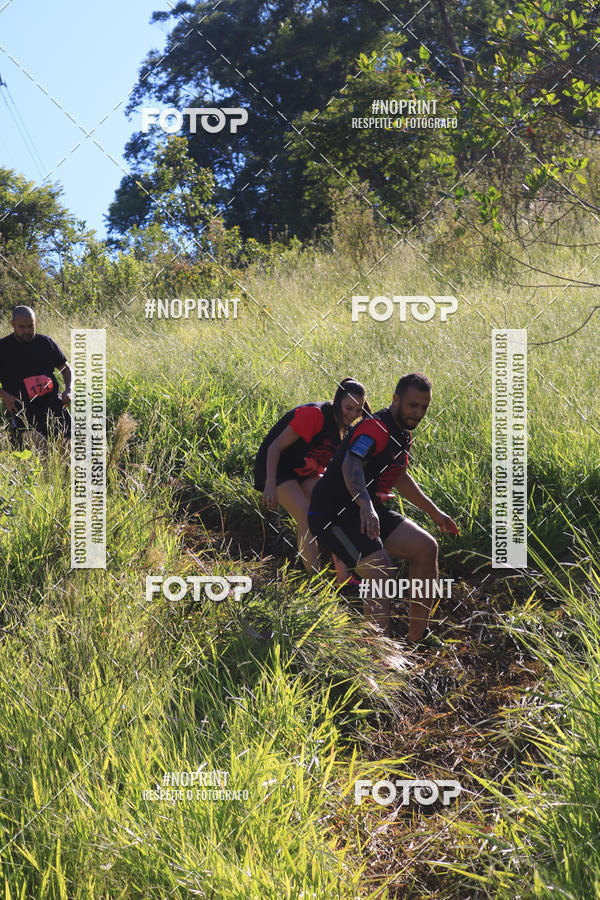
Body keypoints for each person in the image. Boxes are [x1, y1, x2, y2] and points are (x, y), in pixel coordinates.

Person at [307, 373, 459, 643]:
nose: (419, 412)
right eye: (413, 405)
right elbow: (350, 465)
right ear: (396, 399)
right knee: (381, 570)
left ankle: (415, 640)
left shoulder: (402, 432)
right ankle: (380, 656)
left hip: (365, 509)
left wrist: (435, 512)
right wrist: (366, 505)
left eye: (424, 407)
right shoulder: (375, 427)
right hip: (332, 514)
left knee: (426, 547)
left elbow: (399, 476)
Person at [254, 378, 371, 574]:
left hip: (304, 470)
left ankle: (344, 577)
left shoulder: (346, 427)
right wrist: (270, 484)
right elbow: (275, 447)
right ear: (338, 400)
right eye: (348, 408)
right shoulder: (315, 415)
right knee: (306, 516)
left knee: (332, 511)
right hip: (277, 468)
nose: (352, 415)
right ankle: (314, 580)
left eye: (358, 410)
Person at [0, 306, 72, 450]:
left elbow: (66, 369)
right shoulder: (3, 348)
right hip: (23, 410)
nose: (27, 331)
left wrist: (69, 390)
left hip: (53, 405)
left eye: (30, 326)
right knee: (42, 449)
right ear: (12, 323)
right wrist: (4, 395)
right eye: (22, 327)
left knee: (68, 449)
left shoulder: (46, 343)